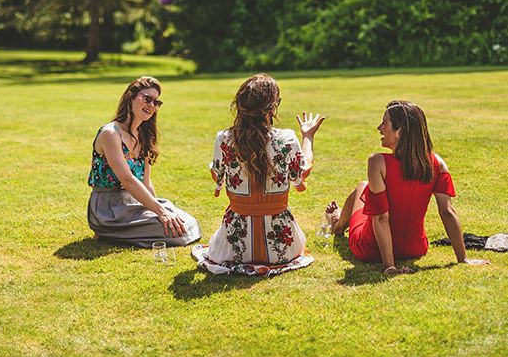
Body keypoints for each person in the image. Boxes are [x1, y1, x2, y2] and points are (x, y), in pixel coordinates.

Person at [326, 100, 489, 275]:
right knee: (367, 193)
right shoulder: (438, 163)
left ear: (400, 130)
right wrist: (462, 258)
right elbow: (448, 212)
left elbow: (381, 218)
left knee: (362, 186)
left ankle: (337, 225)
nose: (379, 128)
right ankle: (338, 222)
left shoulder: (377, 162)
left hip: (371, 249)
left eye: (384, 123)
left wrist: (389, 265)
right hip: (415, 248)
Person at [195, 73, 325, 275]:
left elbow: (217, 176)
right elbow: (303, 171)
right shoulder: (287, 138)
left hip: (233, 246)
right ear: (272, 107)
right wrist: (307, 136)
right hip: (282, 246)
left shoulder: (223, 139)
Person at [87, 76, 201, 247]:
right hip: (109, 209)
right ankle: (111, 232)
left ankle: (124, 233)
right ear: (130, 97)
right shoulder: (110, 134)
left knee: (187, 222)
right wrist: (161, 213)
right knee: (177, 232)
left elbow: (145, 182)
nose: (151, 105)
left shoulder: (143, 136)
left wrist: (157, 212)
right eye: (147, 99)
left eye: (156, 102)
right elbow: (127, 179)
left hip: (134, 202)